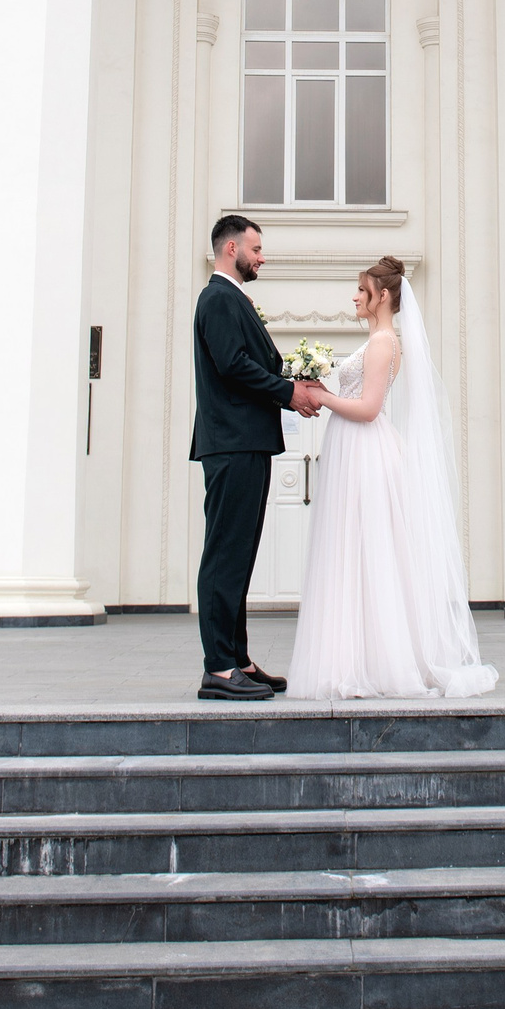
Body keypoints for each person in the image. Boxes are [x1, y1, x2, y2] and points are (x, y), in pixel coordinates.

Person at [286, 256, 498, 700]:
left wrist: (321, 395)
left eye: (362, 291)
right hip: (352, 449)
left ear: (383, 296)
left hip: (365, 450)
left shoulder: (384, 343)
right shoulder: (376, 342)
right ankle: (355, 657)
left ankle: (376, 662)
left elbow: (367, 408)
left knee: (368, 551)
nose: (355, 297)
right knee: (352, 551)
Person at [190, 214, 324, 701]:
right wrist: (289, 392)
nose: (262, 257)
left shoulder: (231, 299)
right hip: (231, 443)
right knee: (225, 553)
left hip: (244, 442)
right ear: (231, 249)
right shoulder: (219, 298)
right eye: (256, 248)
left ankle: (238, 658)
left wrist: (295, 382)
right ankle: (219, 668)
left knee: (239, 554)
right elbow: (233, 366)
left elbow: (250, 363)